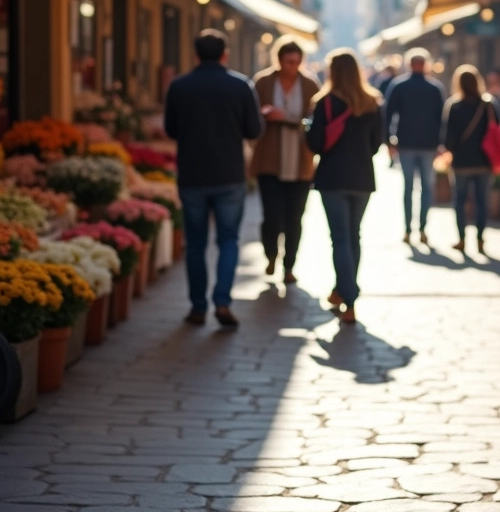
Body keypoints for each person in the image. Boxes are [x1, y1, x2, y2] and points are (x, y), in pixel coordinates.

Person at [164, 29, 264, 328]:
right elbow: (254, 131)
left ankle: (197, 306)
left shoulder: (179, 87)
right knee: (229, 240)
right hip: (229, 174)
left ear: (195, 55)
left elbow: (171, 130)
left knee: (195, 243)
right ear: (225, 54)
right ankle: (222, 302)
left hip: (193, 174)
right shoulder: (240, 86)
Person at [305, 49, 383, 325]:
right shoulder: (372, 102)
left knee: (339, 238)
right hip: (362, 177)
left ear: (333, 72)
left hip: (333, 177)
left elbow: (314, 144)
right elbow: (376, 144)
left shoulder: (324, 102)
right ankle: (343, 291)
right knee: (353, 236)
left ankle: (349, 298)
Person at [249, 37, 320, 285]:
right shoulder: (263, 82)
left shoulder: (310, 84)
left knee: (295, 218)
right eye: (289, 61)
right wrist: (265, 116)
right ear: (279, 60)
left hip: (300, 162)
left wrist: (287, 118)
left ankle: (289, 266)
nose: (293, 66)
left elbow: (314, 122)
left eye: (297, 61)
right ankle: (270, 254)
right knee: (272, 216)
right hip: (270, 161)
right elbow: (251, 118)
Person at [382, 48, 445, 244]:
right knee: (426, 187)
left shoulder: (399, 86)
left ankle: (409, 229)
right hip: (427, 144)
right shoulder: (434, 88)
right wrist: (440, 143)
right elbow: (441, 118)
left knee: (409, 187)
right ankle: (422, 228)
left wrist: (388, 140)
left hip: (407, 143)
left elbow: (387, 113)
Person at [441, 65, 498, 254]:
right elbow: (497, 129)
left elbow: (448, 139)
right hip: (483, 160)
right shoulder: (488, 104)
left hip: (461, 162)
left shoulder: (454, 106)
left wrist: (453, 149)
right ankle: (481, 239)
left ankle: (462, 239)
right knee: (482, 201)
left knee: (460, 201)